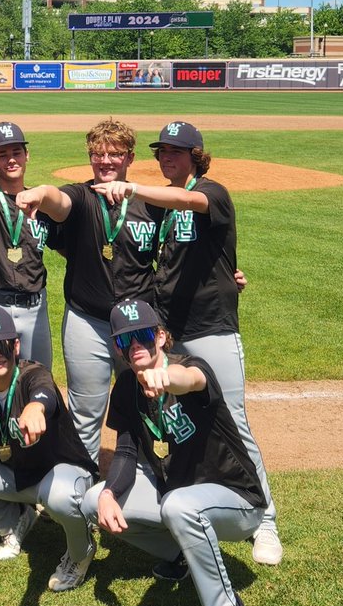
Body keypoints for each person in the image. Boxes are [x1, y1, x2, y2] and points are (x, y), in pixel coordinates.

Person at [92, 121, 282, 566]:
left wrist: (132, 186)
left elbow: (189, 201)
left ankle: (265, 520)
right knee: (179, 424)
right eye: (162, 151)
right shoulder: (161, 209)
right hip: (173, 332)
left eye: (177, 151)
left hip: (213, 326)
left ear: (196, 155)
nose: (168, 158)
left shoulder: (211, 191)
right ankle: (186, 519)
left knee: (233, 421)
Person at [77, 299, 266, 606]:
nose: (135, 347)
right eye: (124, 341)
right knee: (93, 500)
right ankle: (181, 554)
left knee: (180, 506)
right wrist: (109, 495)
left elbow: (192, 380)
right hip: (180, 495)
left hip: (236, 498)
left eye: (143, 336)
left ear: (161, 337)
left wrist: (167, 378)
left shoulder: (190, 367)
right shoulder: (126, 388)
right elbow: (127, 453)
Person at [13, 119, 161, 462]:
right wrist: (39, 193)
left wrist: (231, 274)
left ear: (130, 158)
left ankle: (146, 479)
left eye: (115, 154)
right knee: (86, 411)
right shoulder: (82, 196)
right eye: (98, 154)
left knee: (147, 403)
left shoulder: (149, 204)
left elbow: (172, 258)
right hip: (88, 321)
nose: (106, 161)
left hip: (138, 327)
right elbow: (58, 201)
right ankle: (82, 491)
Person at [0, 305, 99, 581]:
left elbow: (44, 393)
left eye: (2, 344)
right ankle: (16, 521)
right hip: (17, 471)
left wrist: (35, 408)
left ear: (16, 345)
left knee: (60, 498)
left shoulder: (33, 374)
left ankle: (80, 551)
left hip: (62, 473)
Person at [0, 122, 59, 366]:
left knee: (38, 380)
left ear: (27, 155)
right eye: (2, 155)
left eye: (16, 152)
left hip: (35, 308)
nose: (11, 160)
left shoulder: (40, 201)